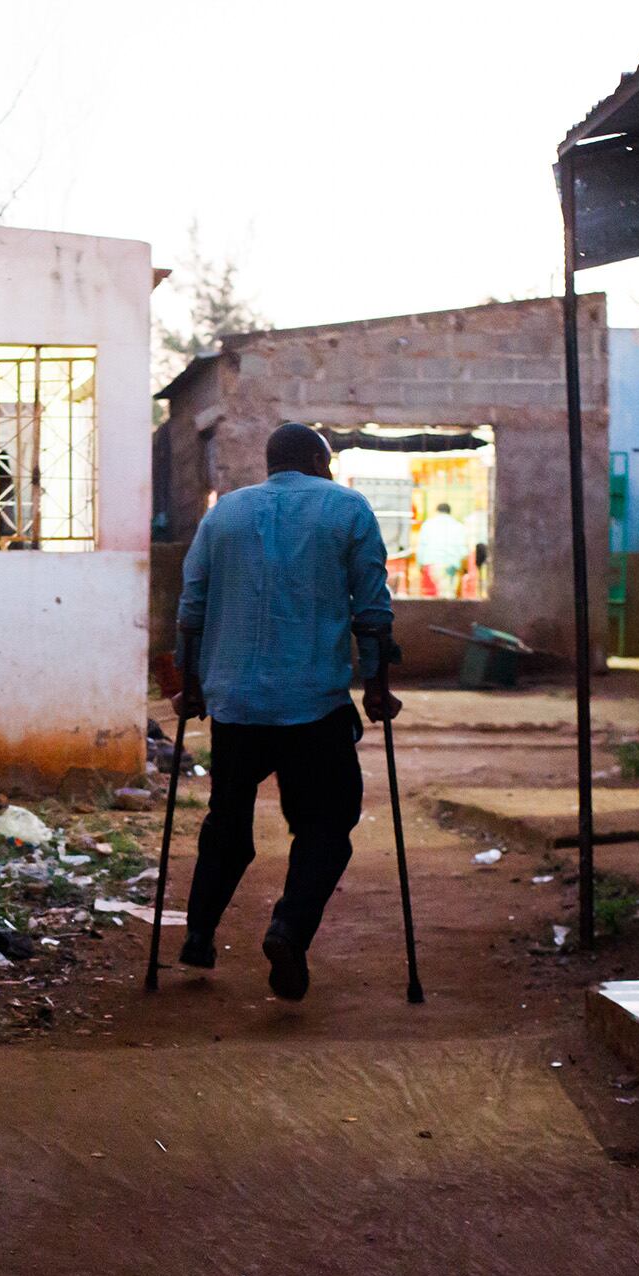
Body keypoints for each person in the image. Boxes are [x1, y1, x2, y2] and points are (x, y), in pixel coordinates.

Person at [175, 422, 398, 1001]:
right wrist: (376, 686)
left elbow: (191, 607)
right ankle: (289, 928)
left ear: (272, 463)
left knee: (227, 824)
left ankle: (199, 934)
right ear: (320, 463)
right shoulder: (348, 509)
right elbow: (373, 610)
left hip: (236, 705)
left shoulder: (223, 515)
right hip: (313, 706)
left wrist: (190, 683)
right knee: (327, 825)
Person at [414, 501, 471, 598]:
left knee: (431, 599)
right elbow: (463, 551)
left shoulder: (427, 525)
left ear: (437, 511)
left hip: (431, 564)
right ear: (449, 512)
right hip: (452, 566)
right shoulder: (459, 526)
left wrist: (419, 565)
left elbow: (421, 547)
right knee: (449, 598)